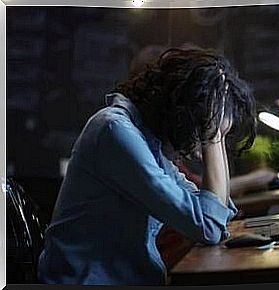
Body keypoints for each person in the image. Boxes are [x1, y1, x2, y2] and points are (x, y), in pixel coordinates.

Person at [37, 47, 256, 285]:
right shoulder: (115, 131)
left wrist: (218, 135)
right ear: (183, 111)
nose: (200, 143)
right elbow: (208, 226)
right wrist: (212, 137)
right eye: (204, 123)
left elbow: (217, 217)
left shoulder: (150, 142)